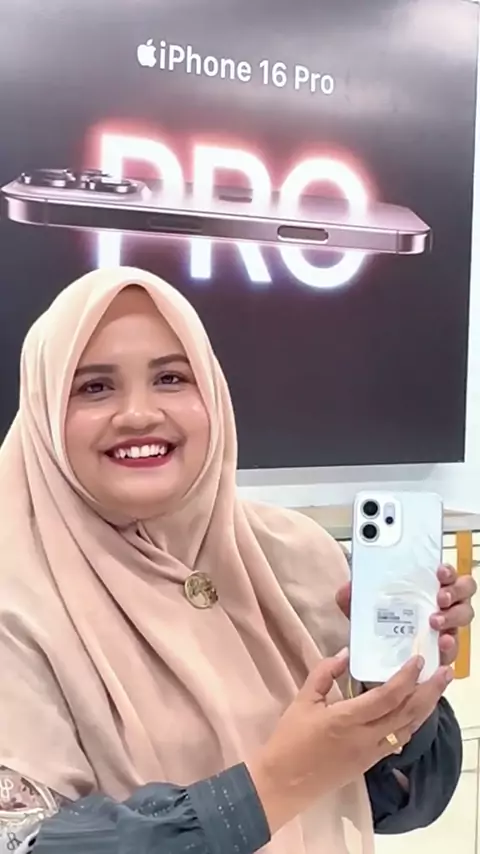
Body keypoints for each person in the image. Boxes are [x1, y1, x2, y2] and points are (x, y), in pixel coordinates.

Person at [0, 267, 475, 854]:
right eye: (95, 387)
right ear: (43, 409)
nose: (138, 414)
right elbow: (28, 842)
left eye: (171, 378)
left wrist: (394, 691)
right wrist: (276, 783)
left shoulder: (296, 554)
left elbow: (397, 804)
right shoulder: (17, 595)